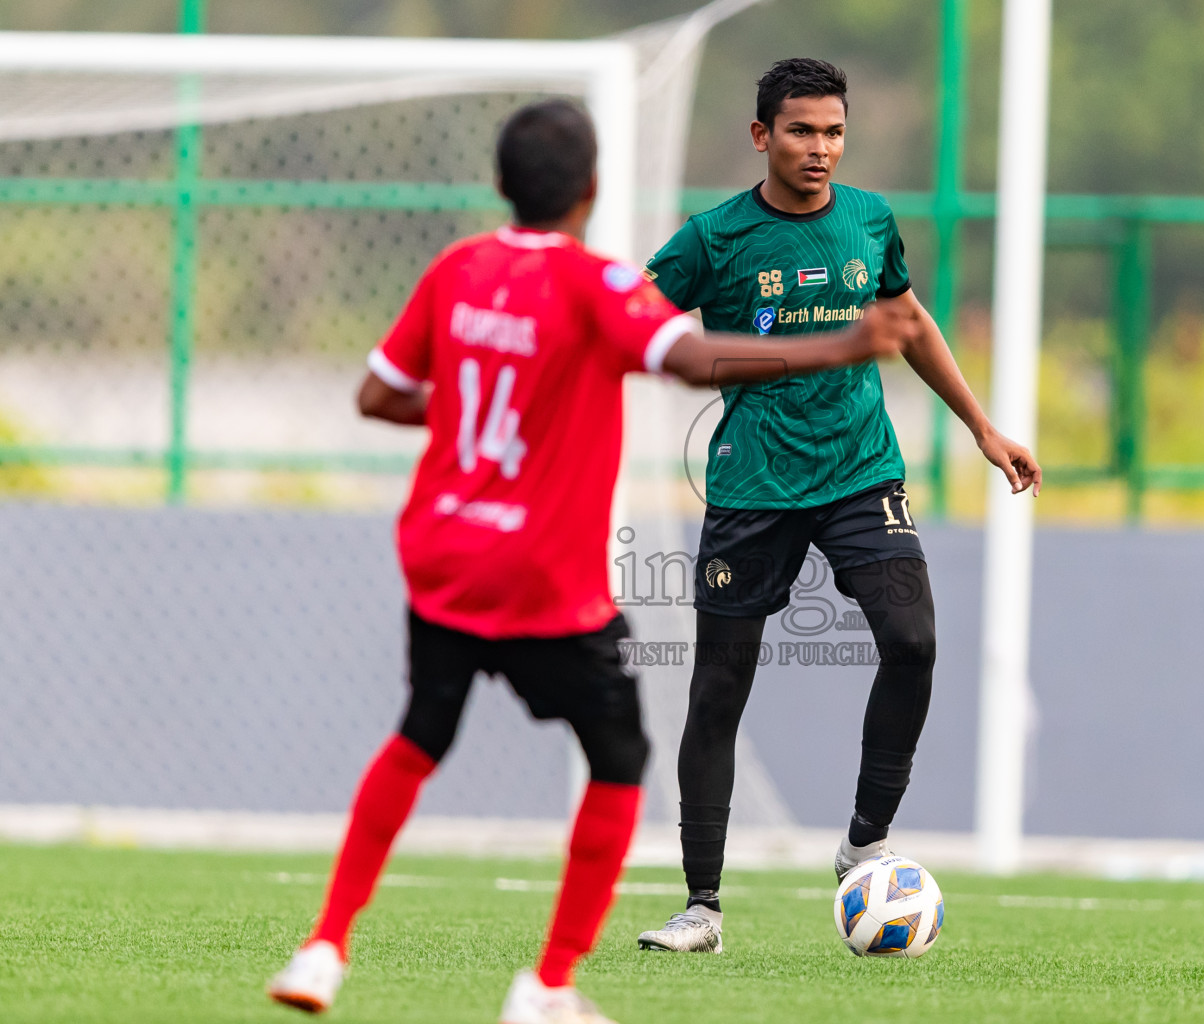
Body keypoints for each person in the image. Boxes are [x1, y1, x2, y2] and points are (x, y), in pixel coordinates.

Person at [264, 97, 917, 1023]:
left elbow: (379, 394)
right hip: (541, 575)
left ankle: (325, 946)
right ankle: (551, 986)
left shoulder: (458, 270)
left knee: (418, 740)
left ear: (500, 186)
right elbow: (688, 360)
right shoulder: (592, 285)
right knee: (619, 755)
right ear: (593, 191)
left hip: (444, 554)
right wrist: (841, 343)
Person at [635, 58, 1041, 955]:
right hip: (753, 486)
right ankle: (701, 905)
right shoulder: (714, 239)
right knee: (718, 690)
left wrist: (981, 425)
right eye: (800, 131)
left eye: (833, 132)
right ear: (761, 137)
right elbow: (640, 330)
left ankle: (865, 841)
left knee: (914, 639)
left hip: (861, 470)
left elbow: (909, 320)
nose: (819, 149)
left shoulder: (869, 221)